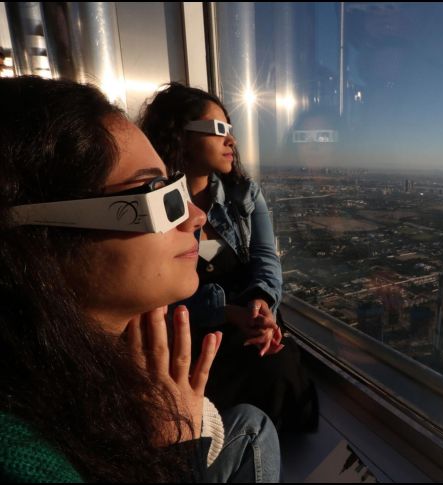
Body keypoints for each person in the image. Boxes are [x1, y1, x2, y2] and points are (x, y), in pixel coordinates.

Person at [0, 76, 280, 482]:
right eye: (156, 193)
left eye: (176, 187)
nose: (195, 218)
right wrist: (178, 455)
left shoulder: (69, 377)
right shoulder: (25, 456)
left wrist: (260, 302)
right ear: (38, 238)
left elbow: (265, 261)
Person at [139, 83, 317, 432]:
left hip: (245, 323)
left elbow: (267, 259)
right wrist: (222, 312)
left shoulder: (244, 196)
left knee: (278, 369)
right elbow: (151, 295)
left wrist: (261, 302)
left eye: (231, 131)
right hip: (188, 336)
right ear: (181, 136)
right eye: (219, 130)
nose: (231, 141)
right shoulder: (149, 209)